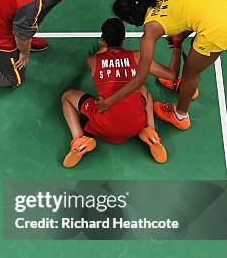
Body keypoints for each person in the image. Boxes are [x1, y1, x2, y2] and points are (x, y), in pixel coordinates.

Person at [99, 0, 227, 130]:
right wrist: (182, 36)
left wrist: (108, 102)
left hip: (220, 27)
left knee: (190, 74)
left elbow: (140, 79)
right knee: (194, 50)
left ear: (130, 18)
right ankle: (186, 90)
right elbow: (191, 11)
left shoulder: (150, 30)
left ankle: (180, 116)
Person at [61, 18, 182, 168]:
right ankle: (151, 133)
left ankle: (79, 141)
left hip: (104, 127)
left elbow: (102, 55)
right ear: (124, 39)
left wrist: (104, 46)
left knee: (67, 96)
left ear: (103, 40)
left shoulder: (92, 60)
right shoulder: (138, 57)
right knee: (143, 89)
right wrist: (177, 46)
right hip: (136, 125)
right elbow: (172, 75)